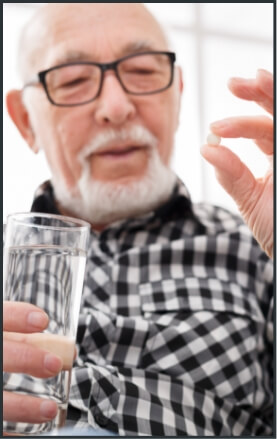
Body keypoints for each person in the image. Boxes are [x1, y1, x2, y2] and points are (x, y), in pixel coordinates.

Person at [3, 3, 273, 436]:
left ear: (178, 94)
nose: (117, 107)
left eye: (144, 72)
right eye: (73, 80)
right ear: (25, 121)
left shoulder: (259, 249)